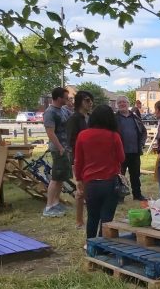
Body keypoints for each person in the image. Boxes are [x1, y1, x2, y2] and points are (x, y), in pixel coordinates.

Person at [73, 104, 125, 239]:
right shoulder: (114, 136)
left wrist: (78, 179)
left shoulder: (83, 135)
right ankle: (103, 246)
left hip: (90, 182)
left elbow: (78, 160)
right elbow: (121, 157)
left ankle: (90, 244)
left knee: (92, 216)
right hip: (110, 181)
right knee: (107, 218)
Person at [42, 87, 72, 217]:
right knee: (55, 178)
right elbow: (50, 133)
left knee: (61, 178)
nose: (68, 99)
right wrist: (60, 147)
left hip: (65, 149)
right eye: (66, 97)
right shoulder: (50, 112)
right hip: (58, 149)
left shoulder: (64, 110)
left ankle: (55, 203)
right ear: (59, 98)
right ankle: (49, 207)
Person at [66, 90, 94, 227]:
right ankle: (79, 220)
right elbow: (71, 141)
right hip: (78, 158)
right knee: (81, 189)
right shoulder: (74, 118)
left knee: (89, 189)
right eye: (87, 100)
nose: (90, 103)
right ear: (79, 102)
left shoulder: (90, 117)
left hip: (92, 158)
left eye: (91, 100)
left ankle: (90, 218)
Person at [115, 96, 148, 201]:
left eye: (124, 102)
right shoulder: (114, 118)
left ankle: (137, 195)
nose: (122, 104)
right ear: (117, 105)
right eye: (119, 102)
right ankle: (120, 197)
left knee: (135, 175)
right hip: (120, 153)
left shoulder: (135, 117)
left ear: (128, 103)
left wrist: (142, 144)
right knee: (120, 176)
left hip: (135, 151)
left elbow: (143, 131)